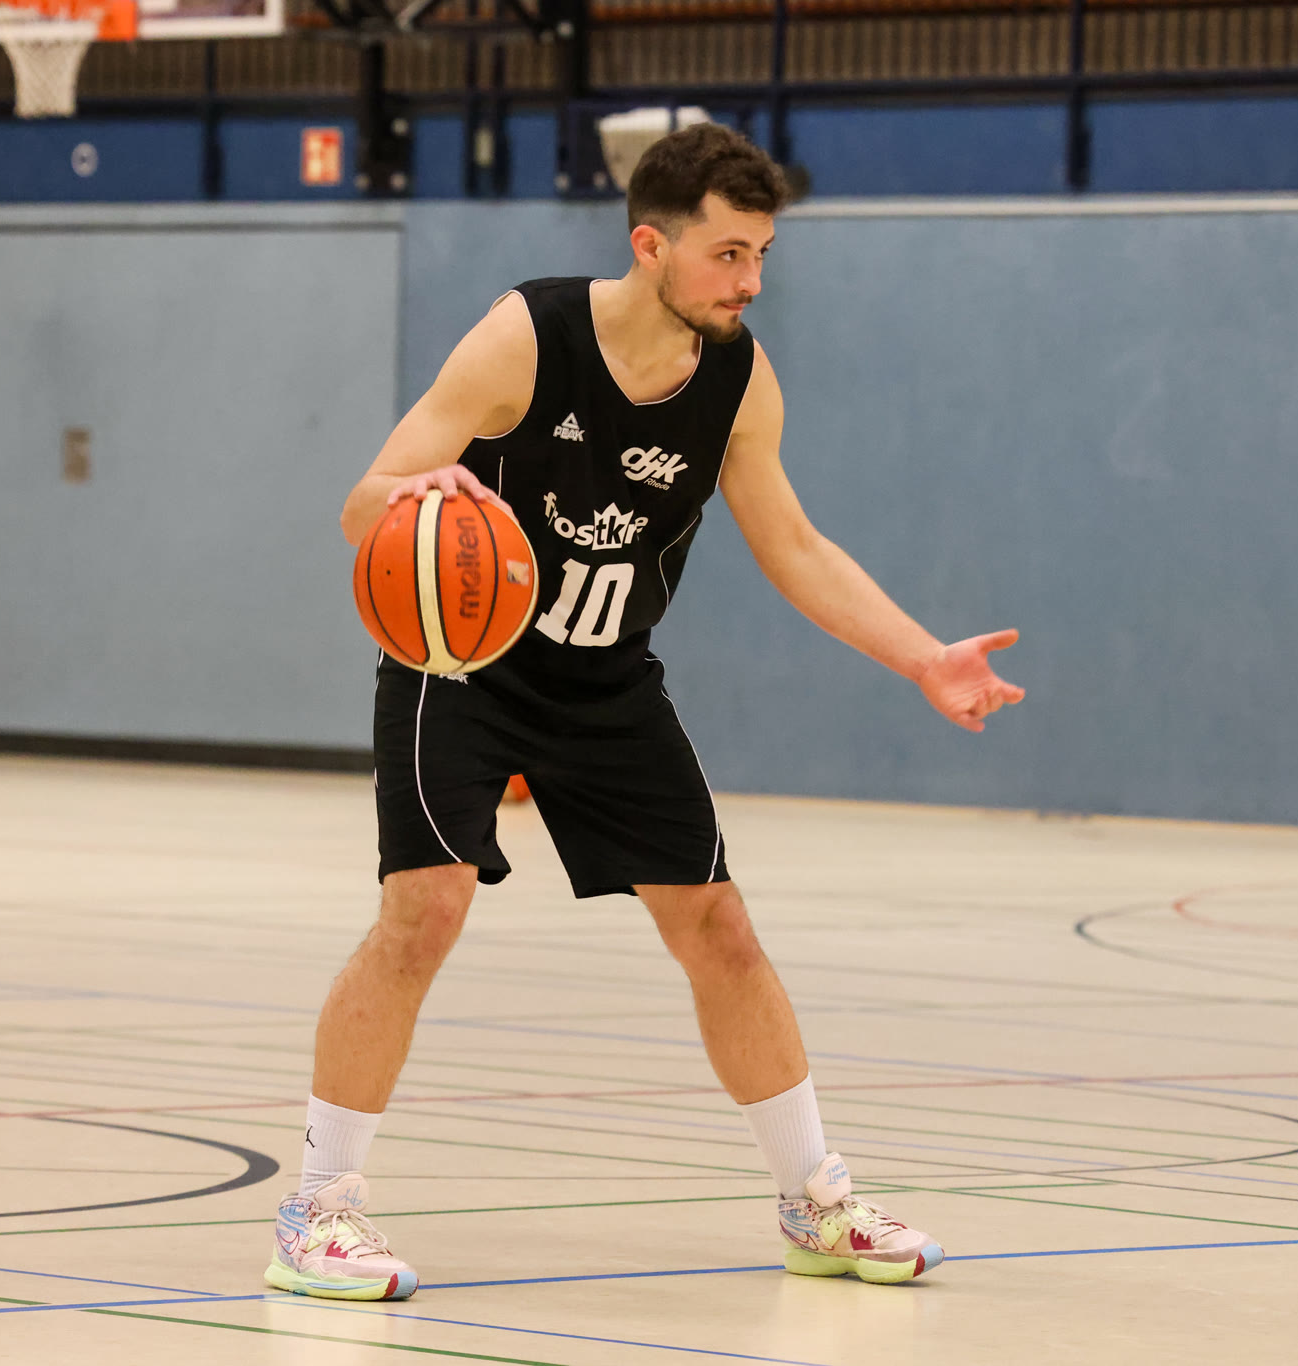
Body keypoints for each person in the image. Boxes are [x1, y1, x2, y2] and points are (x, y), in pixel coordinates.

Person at [265, 123, 1025, 1301]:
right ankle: (316, 1210)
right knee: (424, 908)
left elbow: (794, 546)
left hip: (606, 680)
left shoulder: (737, 378)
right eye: (727, 254)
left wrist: (922, 658)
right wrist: (414, 492)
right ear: (650, 244)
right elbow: (362, 504)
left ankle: (812, 1199)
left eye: (760, 255)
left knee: (718, 925)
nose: (749, 280)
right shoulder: (528, 336)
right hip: (461, 667)